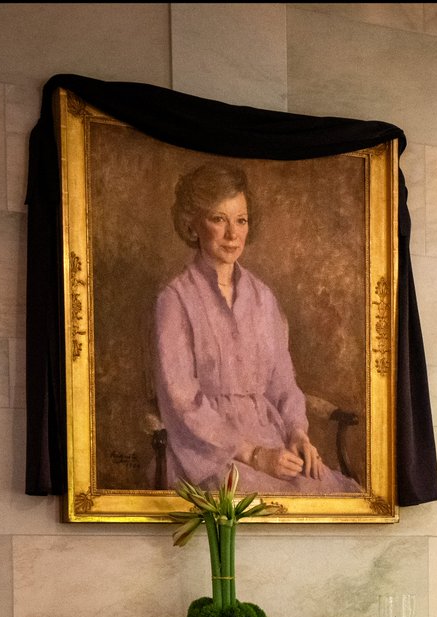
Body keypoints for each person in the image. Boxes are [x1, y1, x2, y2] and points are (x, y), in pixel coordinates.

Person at [153, 162, 361, 494]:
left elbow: (284, 386)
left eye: (241, 220)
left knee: (340, 494)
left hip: (273, 442)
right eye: (218, 219)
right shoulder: (175, 300)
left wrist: (297, 435)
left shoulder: (263, 298)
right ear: (193, 224)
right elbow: (182, 402)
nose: (232, 235)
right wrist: (253, 454)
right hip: (209, 452)